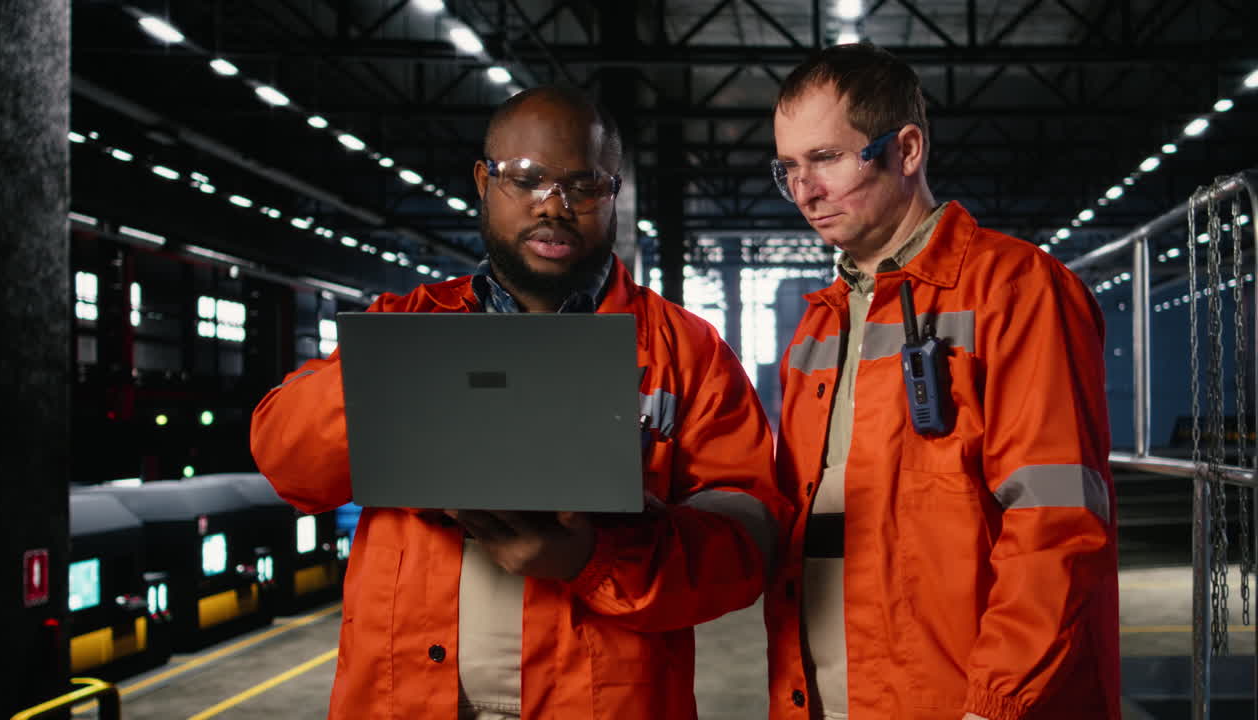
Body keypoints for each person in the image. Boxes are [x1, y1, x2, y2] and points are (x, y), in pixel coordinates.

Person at [250, 86, 788, 720]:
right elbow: (289, 463)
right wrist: (408, 377)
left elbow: (748, 543)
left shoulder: (687, 351)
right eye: (527, 179)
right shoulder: (411, 325)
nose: (554, 207)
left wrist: (594, 558)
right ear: (484, 181)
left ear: (613, 193)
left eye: (584, 186)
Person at [763, 44, 1120, 720]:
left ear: (906, 148)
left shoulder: (1015, 291)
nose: (805, 190)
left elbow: (1055, 523)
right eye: (788, 168)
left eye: (827, 158)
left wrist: (994, 704)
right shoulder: (818, 328)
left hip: (969, 703)